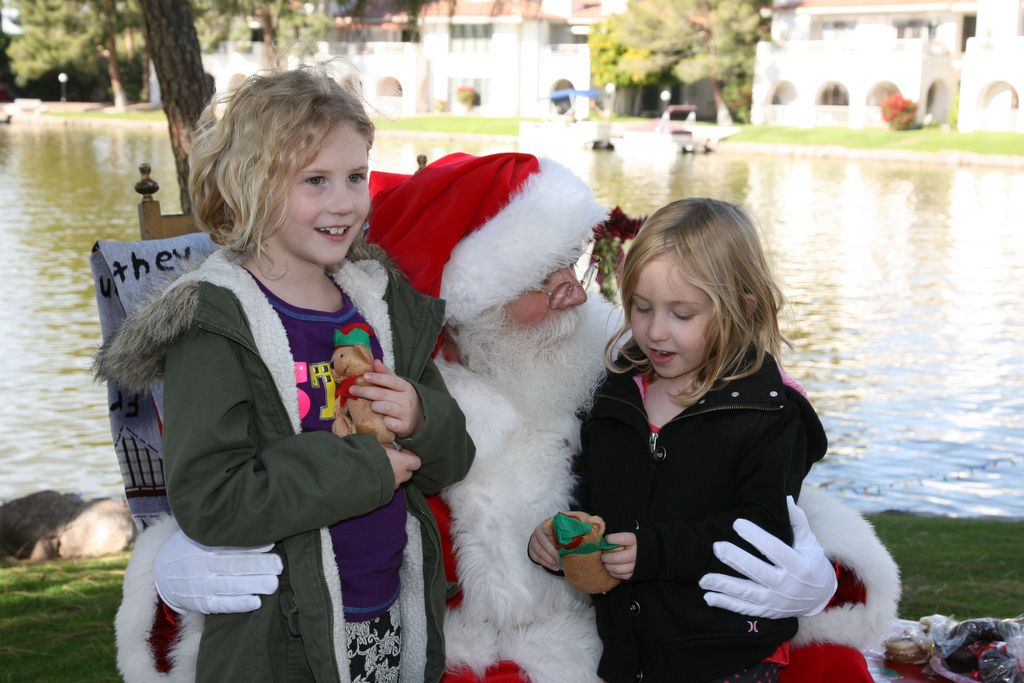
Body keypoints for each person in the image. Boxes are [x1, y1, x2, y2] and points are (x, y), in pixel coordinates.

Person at [116, 152, 899, 682]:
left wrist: (818, 565)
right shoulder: (395, 387)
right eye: (538, 277)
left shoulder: (621, 354)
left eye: (574, 265)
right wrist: (178, 561)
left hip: (626, 636)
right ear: (472, 303)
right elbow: (267, 480)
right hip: (452, 648)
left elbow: (738, 419)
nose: (569, 292)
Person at [94, 66, 474, 682]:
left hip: (388, 623)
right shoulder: (216, 325)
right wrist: (365, 468)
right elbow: (212, 499)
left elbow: (449, 461)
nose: (345, 202)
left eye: (356, 176)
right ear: (251, 185)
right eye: (315, 180)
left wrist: (422, 417)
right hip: (280, 640)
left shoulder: (381, 307)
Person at [528, 198, 824, 682]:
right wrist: (564, 535)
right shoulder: (615, 394)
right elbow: (598, 492)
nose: (655, 331)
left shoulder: (768, 413)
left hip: (726, 659)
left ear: (742, 309)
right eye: (641, 308)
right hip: (629, 658)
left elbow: (764, 533)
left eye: (681, 314)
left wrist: (656, 551)